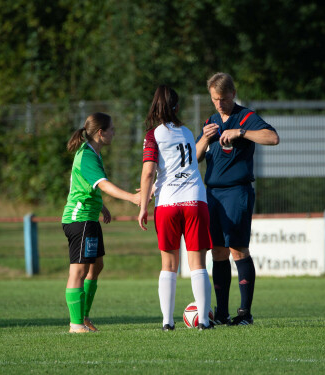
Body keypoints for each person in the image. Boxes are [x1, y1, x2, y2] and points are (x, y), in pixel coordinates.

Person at [196, 73, 280, 326]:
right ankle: (221, 314)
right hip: (212, 194)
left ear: (233, 94)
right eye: (214, 99)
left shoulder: (246, 117)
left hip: (236, 191)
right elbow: (195, 158)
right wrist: (203, 138)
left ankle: (245, 313)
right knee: (218, 252)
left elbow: (272, 138)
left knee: (238, 249)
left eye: (222, 98)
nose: (219, 104)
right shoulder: (211, 120)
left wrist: (241, 132)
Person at [138, 85, 214, 331]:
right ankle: (203, 320)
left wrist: (142, 207)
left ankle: (167, 322)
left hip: (168, 203)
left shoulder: (153, 135)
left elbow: (149, 171)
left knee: (169, 265)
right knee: (198, 264)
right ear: (177, 107)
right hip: (195, 200)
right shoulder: (188, 132)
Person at [62, 112, 141, 333]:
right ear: (100, 132)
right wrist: (132, 197)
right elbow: (104, 185)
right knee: (78, 270)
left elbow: (88, 187)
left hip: (90, 217)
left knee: (96, 266)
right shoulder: (86, 155)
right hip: (80, 219)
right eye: (112, 129)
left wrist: (102, 207)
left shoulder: (94, 153)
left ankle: (84, 317)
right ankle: (75, 324)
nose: (114, 132)